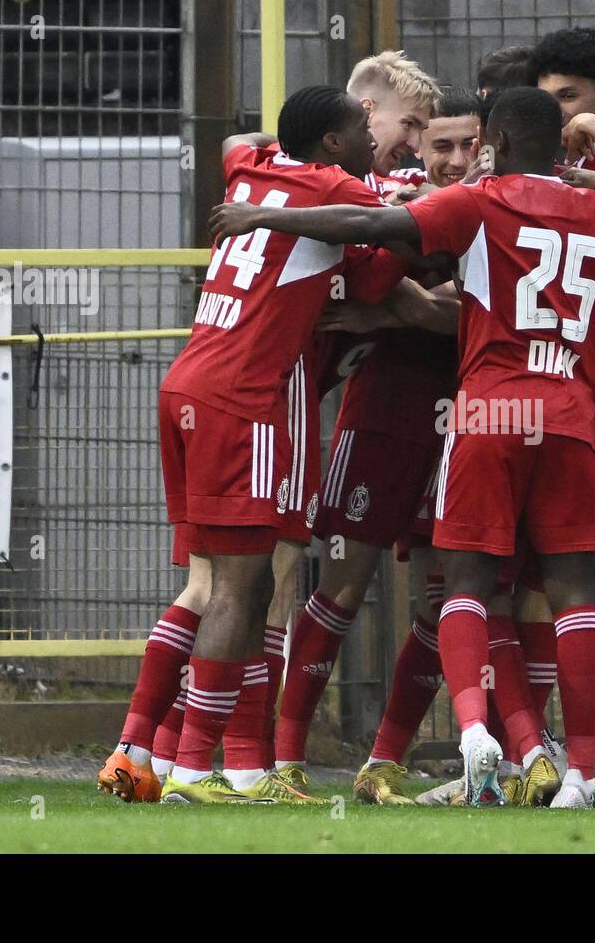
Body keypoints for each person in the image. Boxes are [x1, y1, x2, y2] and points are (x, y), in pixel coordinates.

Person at [210, 86, 595, 809]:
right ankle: (578, 773)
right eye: (436, 142)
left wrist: (268, 216)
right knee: (568, 595)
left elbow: (374, 230)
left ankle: (479, 738)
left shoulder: (474, 202)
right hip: (559, 413)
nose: (453, 156)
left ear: (493, 143)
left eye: (466, 144)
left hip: (486, 413)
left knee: (464, 588)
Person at [152, 85, 408, 803]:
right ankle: (192, 768)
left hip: (189, 382)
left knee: (248, 582)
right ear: (333, 143)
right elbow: (386, 249)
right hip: (244, 398)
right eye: (364, 126)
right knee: (239, 587)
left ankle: (232, 766)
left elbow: (239, 147)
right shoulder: (335, 188)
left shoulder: (253, 168)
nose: (372, 136)